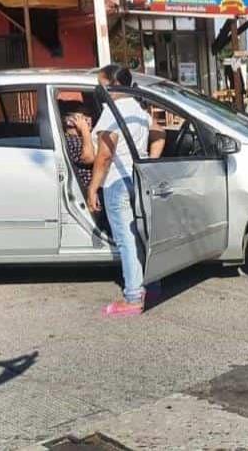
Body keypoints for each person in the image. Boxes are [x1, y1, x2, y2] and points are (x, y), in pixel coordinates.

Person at [87, 65, 165, 317]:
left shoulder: (112, 111)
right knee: (141, 234)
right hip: (138, 179)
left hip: (116, 183)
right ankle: (152, 286)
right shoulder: (139, 110)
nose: (100, 89)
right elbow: (160, 133)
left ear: (112, 83)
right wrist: (149, 163)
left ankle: (133, 297)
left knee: (126, 241)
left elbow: (104, 156)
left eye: (101, 84)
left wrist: (92, 187)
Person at [59, 101, 95, 191]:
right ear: (70, 121)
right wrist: (84, 129)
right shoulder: (70, 140)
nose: (89, 119)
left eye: (89, 115)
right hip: (85, 191)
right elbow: (88, 158)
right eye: (83, 116)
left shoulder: (84, 137)